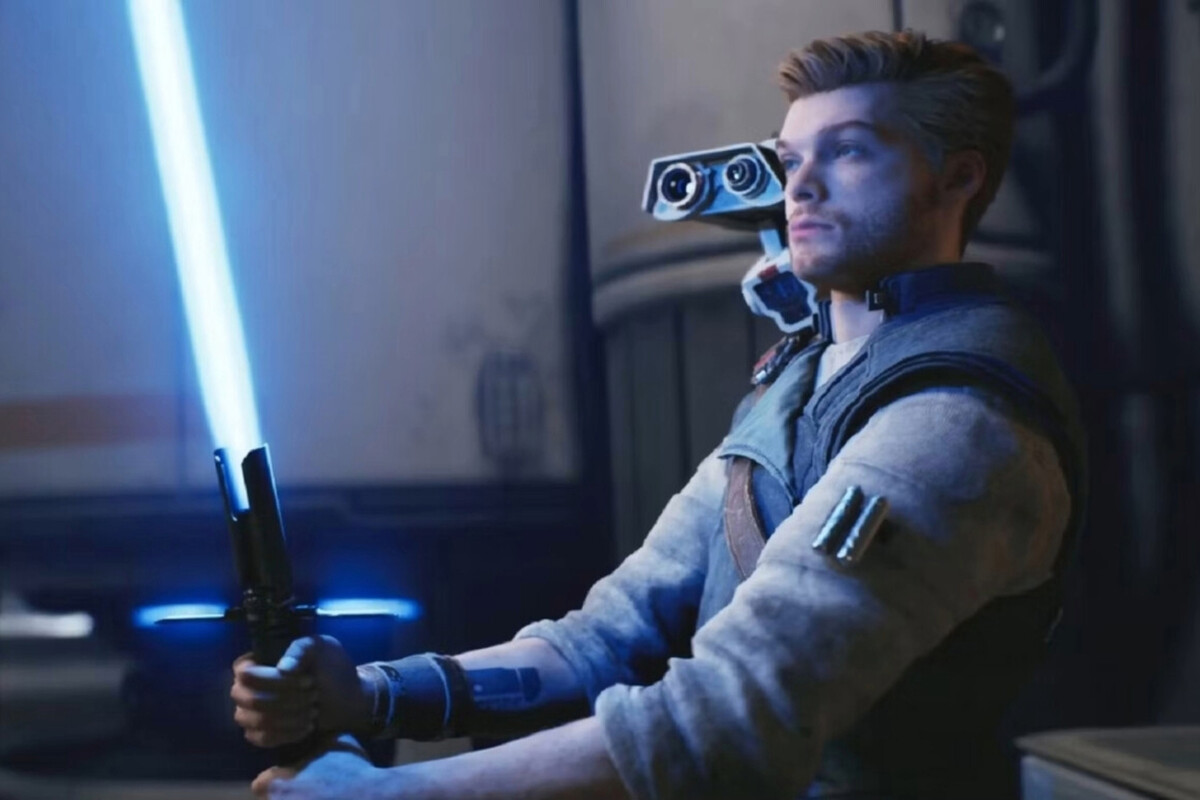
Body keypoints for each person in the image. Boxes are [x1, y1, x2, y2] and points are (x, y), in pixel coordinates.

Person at [232, 29, 1086, 800]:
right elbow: (607, 637)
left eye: (850, 151)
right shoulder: (801, 384)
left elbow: (725, 720)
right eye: (790, 159)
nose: (801, 186)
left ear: (958, 177)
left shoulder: (960, 421)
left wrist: (381, 795)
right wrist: (374, 694)